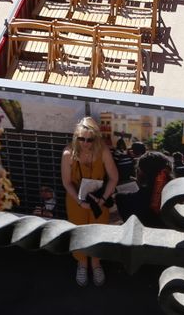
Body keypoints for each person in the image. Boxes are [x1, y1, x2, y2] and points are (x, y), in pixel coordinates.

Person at [61, 116, 118, 287]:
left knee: (98, 231)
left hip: (98, 200)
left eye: (90, 139)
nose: (85, 143)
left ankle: (96, 263)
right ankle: (82, 262)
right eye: (81, 139)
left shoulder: (103, 152)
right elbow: (66, 182)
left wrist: (102, 199)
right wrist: (79, 201)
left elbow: (114, 178)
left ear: (96, 138)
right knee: (78, 231)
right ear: (76, 137)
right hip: (76, 199)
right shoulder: (68, 154)